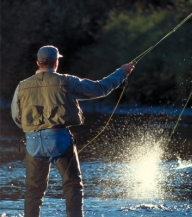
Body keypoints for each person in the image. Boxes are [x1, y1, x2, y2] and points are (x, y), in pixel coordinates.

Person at [11, 45, 135, 217]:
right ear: (55, 63)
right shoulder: (67, 81)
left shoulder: (21, 86)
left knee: (33, 190)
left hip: (32, 141)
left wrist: (34, 131)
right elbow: (100, 89)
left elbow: (17, 117)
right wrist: (122, 72)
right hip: (58, 137)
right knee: (72, 184)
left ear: (38, 63)